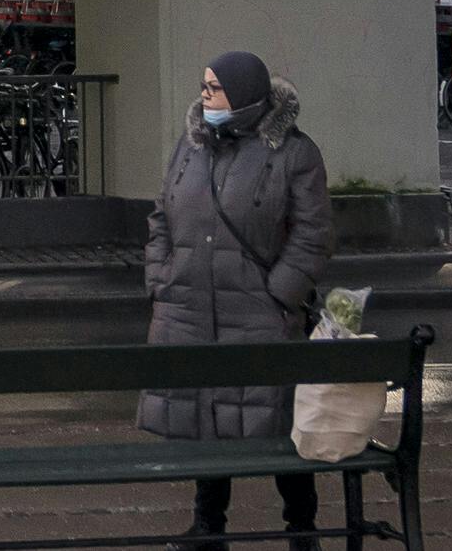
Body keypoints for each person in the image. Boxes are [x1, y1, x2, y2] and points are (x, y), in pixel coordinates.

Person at [140, 50, 334, 548]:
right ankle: (209, 526)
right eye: (203, 86)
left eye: (215, 89)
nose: (204, 96)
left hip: (258, 315)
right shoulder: (191, 145)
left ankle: (301, 528)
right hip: (189, 309)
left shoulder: (294, 153)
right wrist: (161, 279)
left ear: (245, 95)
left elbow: (312, 235)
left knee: (277, 423)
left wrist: (279, 296)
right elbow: (161, 216)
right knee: (207, 418)